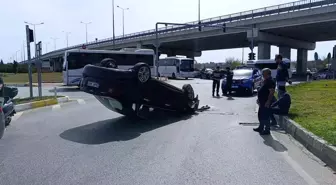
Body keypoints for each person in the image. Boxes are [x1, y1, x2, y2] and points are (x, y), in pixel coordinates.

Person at [254, 68, 275, 135]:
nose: (262, 74)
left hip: (266, 102)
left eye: (263, 73)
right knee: (260, 115)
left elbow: (271, 92)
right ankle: (261, 127)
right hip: (262, 101)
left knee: (265, 116)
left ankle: (267, 130)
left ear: (267, 74)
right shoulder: (265, 80)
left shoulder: (270, 81)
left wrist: (268, 101)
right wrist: (259, 99)